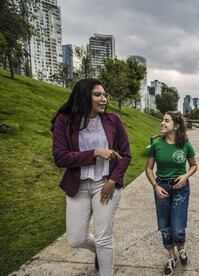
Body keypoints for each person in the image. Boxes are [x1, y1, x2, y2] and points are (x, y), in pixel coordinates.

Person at [51, 79, 131, 276]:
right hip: (78, 186)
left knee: (104, 237)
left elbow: (126, 154)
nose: (103, 99)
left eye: (105, 95)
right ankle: (104, 252)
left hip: (105, 184)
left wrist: (113, 181)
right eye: (98, 95)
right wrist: (95, 152)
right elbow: (60, 158)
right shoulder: (64, 120)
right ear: (84, 96)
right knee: (76, 239)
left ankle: (105, 261)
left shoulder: (114, 120)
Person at [145, 111, 197, 276]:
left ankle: (181, 247)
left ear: (176, 125)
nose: (162, 123)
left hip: (180, 187)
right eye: (162, 120)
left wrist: (185, 175)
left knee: (178, 227)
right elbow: (148, 169)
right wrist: (155, 186)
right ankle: (172, 256)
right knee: (164, 226)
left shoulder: (186, 145)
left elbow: (194, 166)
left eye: (166, 121)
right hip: (162, 187)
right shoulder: (156, 146)